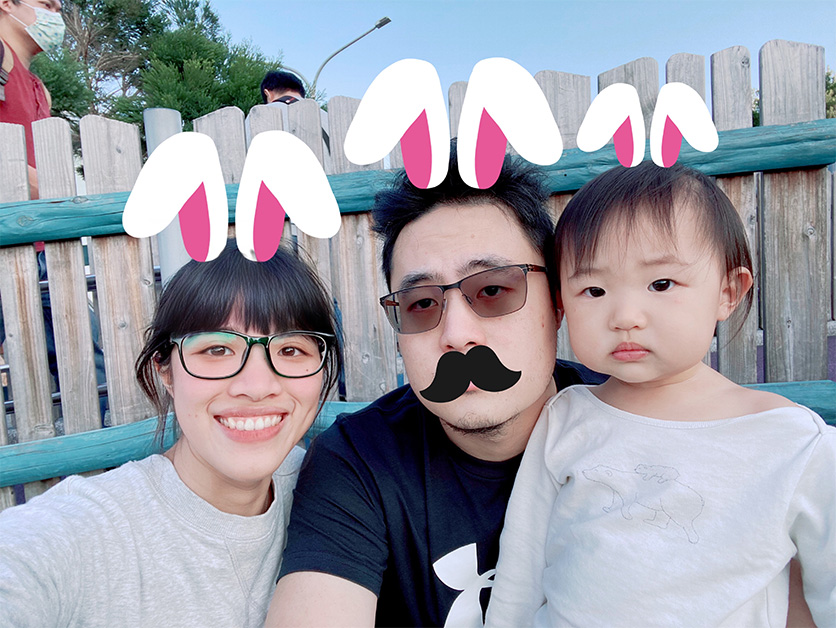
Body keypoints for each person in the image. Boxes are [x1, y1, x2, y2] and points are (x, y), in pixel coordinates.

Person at [266, 145, 606, 627]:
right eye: (423, 304)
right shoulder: (358, 460)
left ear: (556, 303)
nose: (457, 334)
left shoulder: (639, 419)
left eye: (492, 289)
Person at [486, 163, 836, 626]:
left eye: (661, 284)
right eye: (594, 289)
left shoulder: (792, 441)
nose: (625, 316)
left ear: (728, 291)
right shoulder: (566, 418)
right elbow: (520, 573)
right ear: (561, 302)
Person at [0, 240, 342, 627]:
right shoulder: (82, 532)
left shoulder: (340, 493)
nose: (257, 386)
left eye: (291, 350)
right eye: (217, 350)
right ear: (165, 371)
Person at [0, 0, 62, 200]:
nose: (55, 17)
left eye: (58, 11)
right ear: (7, 4)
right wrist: (36, 184)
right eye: (47, 5)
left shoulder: (41, 91)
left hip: (26, 215)